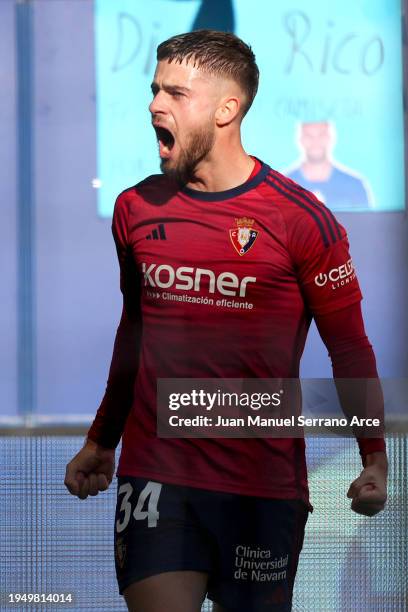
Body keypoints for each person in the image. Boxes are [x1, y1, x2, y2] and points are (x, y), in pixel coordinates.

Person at [64, 30, 388, 612]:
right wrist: (101, 439)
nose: (154, 104)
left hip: (261, 488)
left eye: (176, 93)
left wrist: (373, 457)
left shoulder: (303, 220)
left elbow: (350, 349)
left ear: (226, 110)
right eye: (154, 89)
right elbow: (133, 333)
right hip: (156, 478)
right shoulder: (134, 209)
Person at [286, 121, 374, 211]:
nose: (315, 141)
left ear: (331, 138)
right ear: (300, 139)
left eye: (321, 135)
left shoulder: (354, 185)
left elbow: (365, 222)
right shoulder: (283, 185)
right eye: (309, 136)